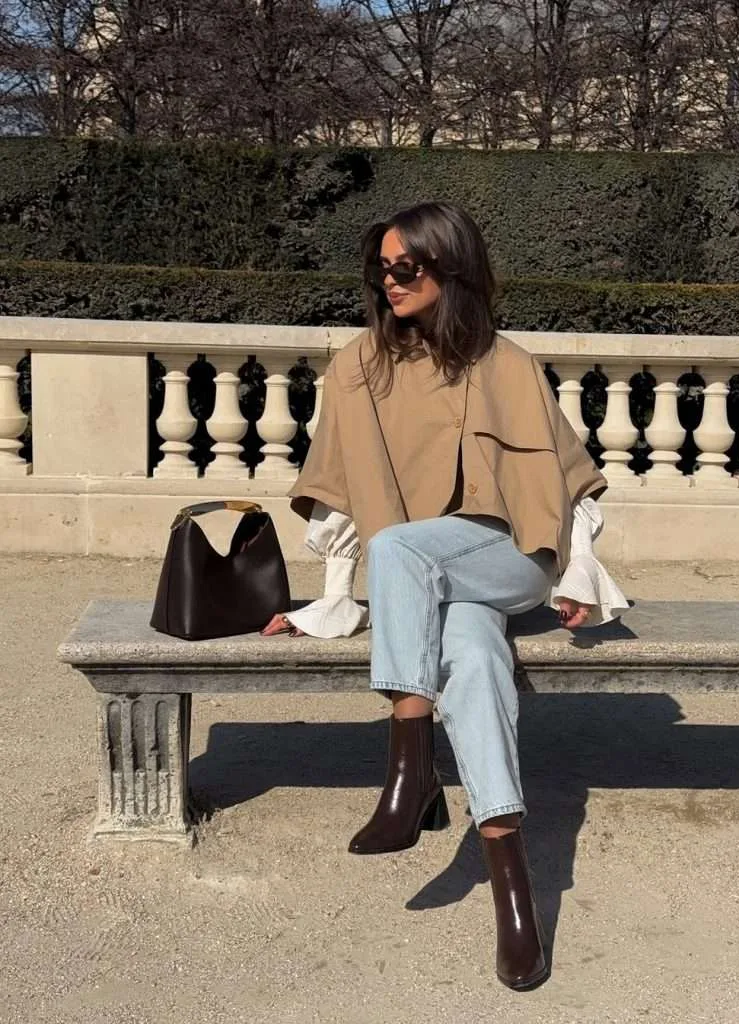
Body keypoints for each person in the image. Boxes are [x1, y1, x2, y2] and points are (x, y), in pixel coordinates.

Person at [261, 201, 628, 991]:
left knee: (405, 550)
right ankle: (517, 893)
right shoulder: (360, 367)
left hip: (509, 561)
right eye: (380, 270)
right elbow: (341, 498)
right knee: (470, 654)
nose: (388, 282)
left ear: (448, 268)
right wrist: (325, 601)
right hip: (427, 580)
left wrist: (576, 574)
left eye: (406, 268)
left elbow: (573, 490)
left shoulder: (510, 365)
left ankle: (411, 769)